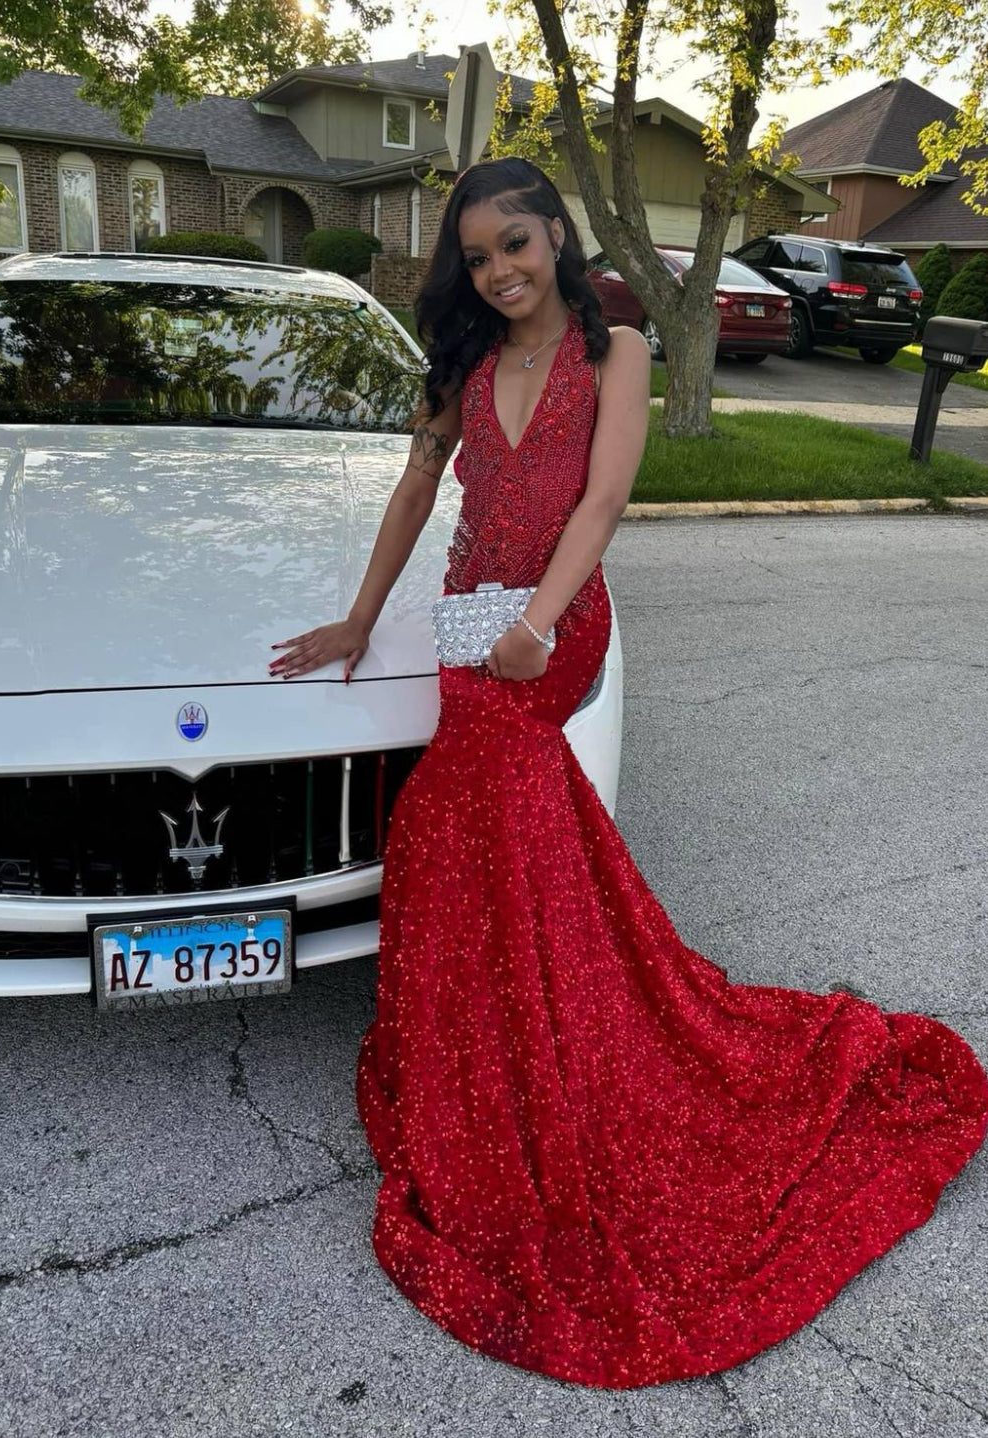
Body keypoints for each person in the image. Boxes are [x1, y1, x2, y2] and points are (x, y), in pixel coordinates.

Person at [267, 156, 988, 1388]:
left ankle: (538, 1034)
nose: (498, 271)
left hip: (547, 623)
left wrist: (539, 623)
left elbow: (601, 503)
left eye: (515, 243)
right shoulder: (463, 362)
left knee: (461, 807)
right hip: (465, 619)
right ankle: (503, 1021)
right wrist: (356, 616)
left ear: (555, 232)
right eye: (477, 255)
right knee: (482, 820)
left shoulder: (617, 350)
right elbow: (411, 489)